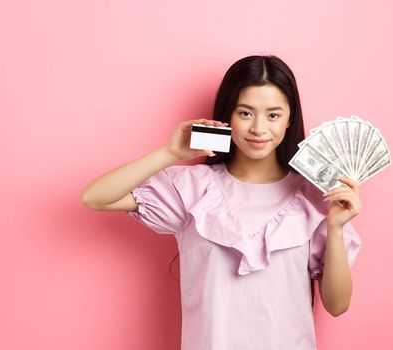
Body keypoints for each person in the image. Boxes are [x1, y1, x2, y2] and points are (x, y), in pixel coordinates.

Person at [81, 55, 363, 350]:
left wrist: (335, 229)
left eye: (273, 115)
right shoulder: (192, 188)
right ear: (228, 115)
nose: (258, 128)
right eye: (245, 113)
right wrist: (170, 153)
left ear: (290, 118)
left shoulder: (316, 198)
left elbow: (337, 305)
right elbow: (95, 197)